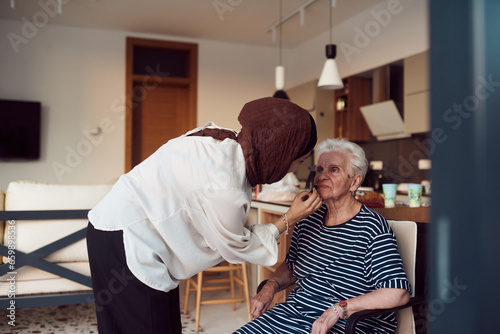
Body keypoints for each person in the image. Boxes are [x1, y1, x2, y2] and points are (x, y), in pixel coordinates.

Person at [86, 97, 323, 334]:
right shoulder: (227, 183)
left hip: (122, 229)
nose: (294, 170)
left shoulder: (226, 141)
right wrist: (288, 218)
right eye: (299, 161)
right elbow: (235, 247)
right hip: (124, 239)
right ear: (279, 152)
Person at [235, 138, 411, 334]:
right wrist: (270, 286)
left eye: (334, 170)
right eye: (319, 170)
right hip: (295, 313)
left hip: (348, 324)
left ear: (354, 182)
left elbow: (397, 293)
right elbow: (292, 267)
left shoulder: (371, 227)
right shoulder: (307, 219)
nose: (321, 177)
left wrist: (338, 310)